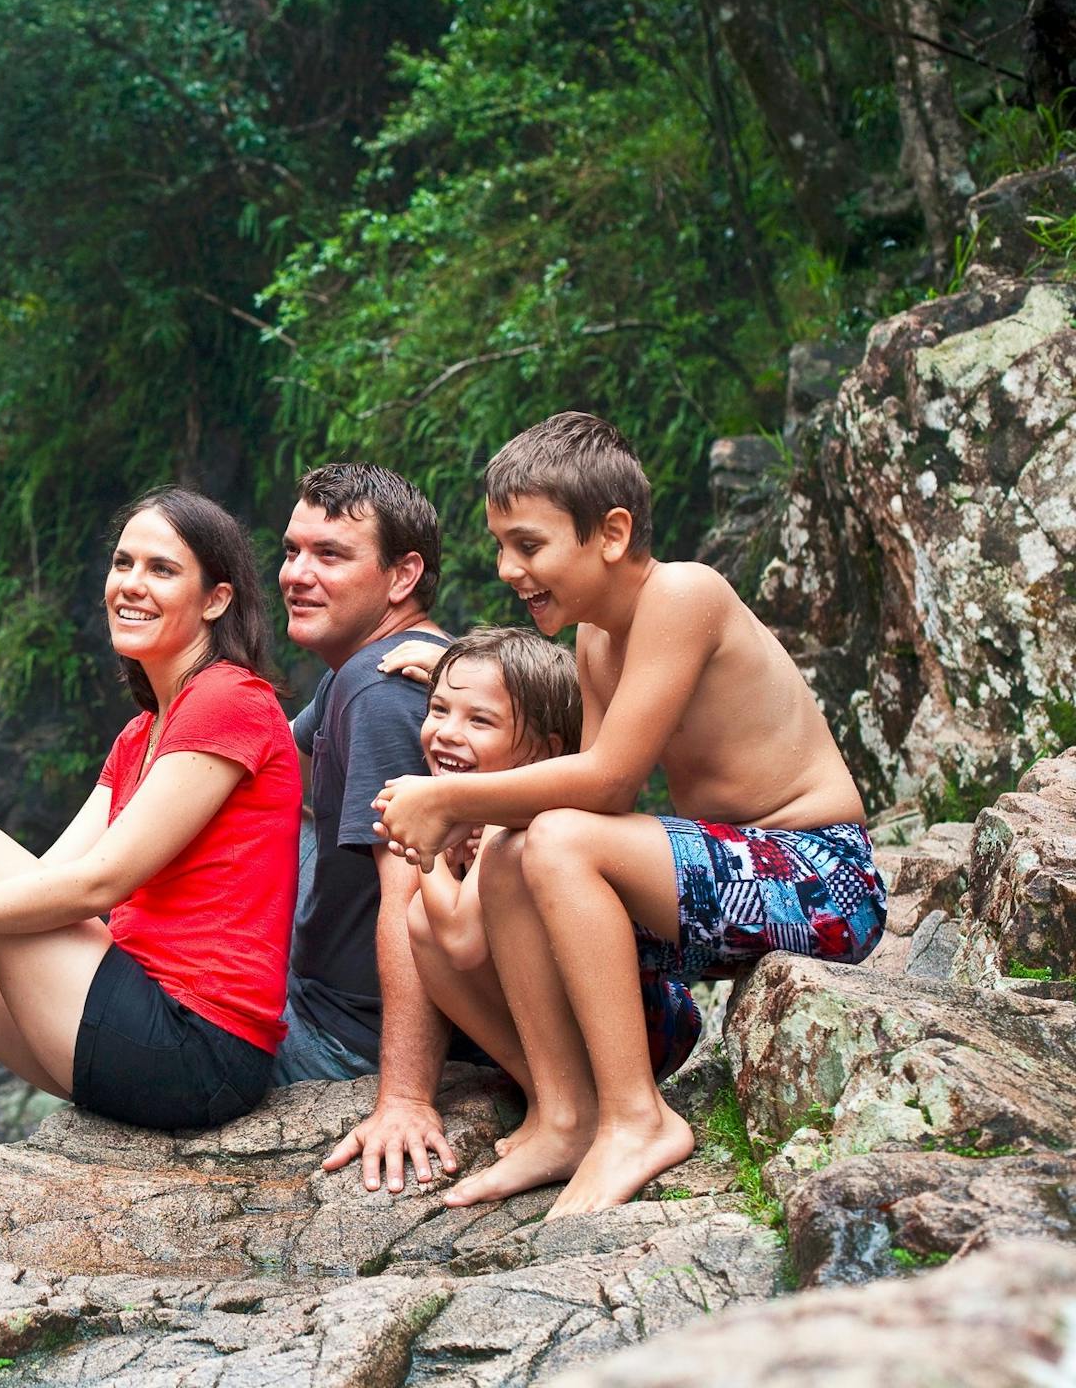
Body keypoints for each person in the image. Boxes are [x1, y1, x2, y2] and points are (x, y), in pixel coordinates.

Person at [374, 412, 884, 1216]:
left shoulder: (685, 594)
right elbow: (579, 788)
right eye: (501, 545)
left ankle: (636, 1119)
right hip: (718, 890)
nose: (508, 567)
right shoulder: (594, 644)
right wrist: (451, 689)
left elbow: (607, 785)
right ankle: (566, 1113)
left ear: (611, 533)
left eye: (529, 545)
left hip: (820, 876)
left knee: (557, 840)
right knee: (513, 853)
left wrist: (450, 797)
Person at [0, 486, 301, 1188]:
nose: (131, 584)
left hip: (198, 1048)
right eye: (123, 563)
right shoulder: (141, 735)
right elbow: (44, 883)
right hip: (129, 1026)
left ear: (216, 600)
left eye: (162, 570)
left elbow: (100, 883)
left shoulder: (230, 700)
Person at [400, 626, 702, 1181]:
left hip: (646, 1026)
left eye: (480, 721)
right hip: (604, 1030)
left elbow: (462, 939)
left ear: (545, 752)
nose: (446, 733)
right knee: (423, 917)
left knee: (423, 916)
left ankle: (568, 1106)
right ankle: (555, 1100)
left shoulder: (515, 817)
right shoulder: (484, 807)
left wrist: (416, 855)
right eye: (439, 709)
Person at [274, 464, 457, 1196]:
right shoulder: (361, 669)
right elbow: (268, 769)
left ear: (403, 574)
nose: (296, 574)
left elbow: (410, 896)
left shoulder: (380, 692)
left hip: (341, 1039)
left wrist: (405, 1098)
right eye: (291, 551)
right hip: (335, 975)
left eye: (330, 555)